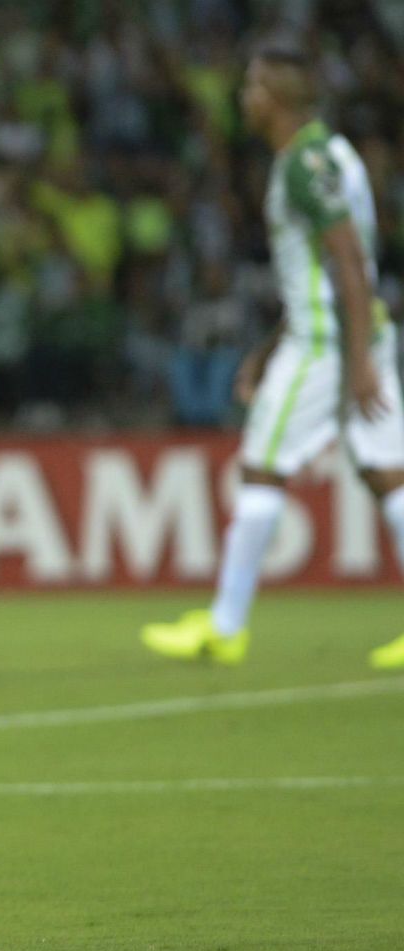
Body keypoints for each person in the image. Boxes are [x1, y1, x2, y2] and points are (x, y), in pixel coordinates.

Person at [143, 43, 404, 668]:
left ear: (277, 98)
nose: (243, 98)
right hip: (352, 332)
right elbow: (326, 264)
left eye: (252, 87)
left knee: (261, 469)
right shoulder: (332, 155)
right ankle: (225, 624)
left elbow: (345, 257)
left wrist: (356, 358)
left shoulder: (301, 165)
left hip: (326, 344)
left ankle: (225, 627)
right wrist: (266, 351)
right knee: (387, 475)